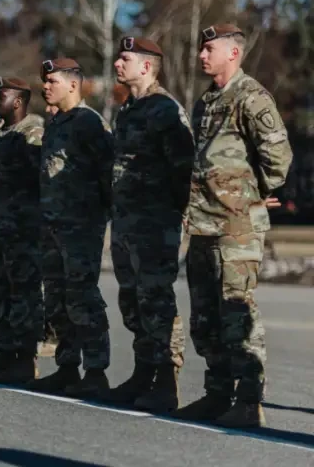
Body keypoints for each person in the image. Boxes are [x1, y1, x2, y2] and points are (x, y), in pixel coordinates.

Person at [173, 24, 293, 428]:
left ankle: (248, 400)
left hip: (237, 228)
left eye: (209, 49)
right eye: (202, 48)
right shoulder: (207, 102)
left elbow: (278, 158)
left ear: (233, 53)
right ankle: (217, 393)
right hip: (204, 225)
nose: (201, 55)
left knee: (237, 313)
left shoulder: (252, 97)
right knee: (205, 318)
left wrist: (252, 192)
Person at [105, 37, 194, 412]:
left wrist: (172, 214)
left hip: (156, 223)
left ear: (146, 66)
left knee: (157, 299)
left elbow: (184, 168)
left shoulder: (164, 109)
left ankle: (167, 380)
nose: (116, 64)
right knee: (132, 300)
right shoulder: (127, 110)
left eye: (124, 58)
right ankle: (144, 372)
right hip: (126, 222)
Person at [28, 59, 114, 398]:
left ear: (73, 85)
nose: (45, 86)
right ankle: (66, 367)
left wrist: (99, 217)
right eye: (44, 81)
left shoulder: (89, 123)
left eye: (52, 81)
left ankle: (95, 370)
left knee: (82, 296)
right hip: (52, 226)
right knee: (58, 297)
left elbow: (107, 173)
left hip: (81, 226)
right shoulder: (56, 122)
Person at [0, 77, 44, 384]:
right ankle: (5, 354)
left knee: (24, 294)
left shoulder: (34, 133)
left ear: (17, 101)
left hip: (22, 230)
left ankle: (25, 359)